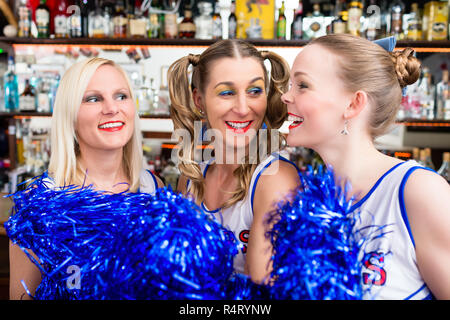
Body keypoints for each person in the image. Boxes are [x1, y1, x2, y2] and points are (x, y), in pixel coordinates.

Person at [281, 33, 450, 299]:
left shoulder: (419, 192)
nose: (285, 97)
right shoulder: (305, 198)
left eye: (302, 85)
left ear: (353, 103)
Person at [9, 57, 164, 300]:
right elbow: (22, 296)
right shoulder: (37, 202)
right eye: (93, 98)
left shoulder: (152, 187)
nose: (112, 108)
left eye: (121, 96)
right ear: (70, 116)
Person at [168, 39, 300, 284]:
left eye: (254, 91)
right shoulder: (191, 177)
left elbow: (263, 290)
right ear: (199, 101)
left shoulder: (276, 179)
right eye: (227, 93)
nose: (242, 108)